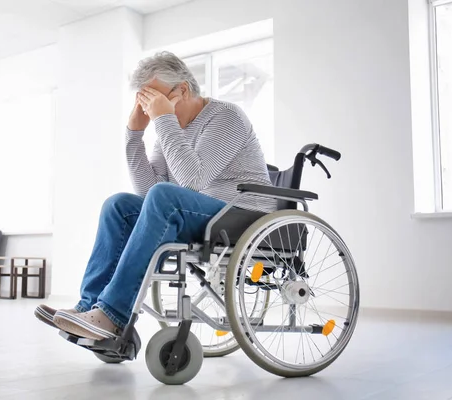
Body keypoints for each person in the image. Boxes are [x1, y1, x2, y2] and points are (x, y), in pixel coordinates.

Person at [37, 51, 276, 340]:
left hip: (242, 214)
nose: (151, 108)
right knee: (119, 205)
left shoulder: (227, 117)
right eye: (146, 101)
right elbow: (149, 194)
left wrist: (163, 120)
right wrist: (134, 135)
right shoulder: (170, 129)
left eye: (155, 99)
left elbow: (191, 181)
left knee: (167, 195)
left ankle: (112, 315)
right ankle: (90, 308)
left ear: (183, 90)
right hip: (203, 215)